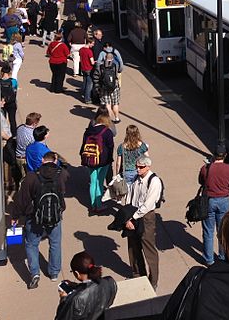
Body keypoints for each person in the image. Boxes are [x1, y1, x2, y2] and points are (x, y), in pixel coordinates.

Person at [9, 150, 69, 289]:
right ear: (55, 161)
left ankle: (35, 273)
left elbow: (22, 200)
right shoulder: (61, 175)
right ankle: (54, 272)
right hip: (55, 215)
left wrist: (15, 216)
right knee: (55, 243)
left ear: (42, 160)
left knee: (31, 244)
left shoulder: (31, 177)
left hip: (34, 216)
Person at [124, 156, 162, 289]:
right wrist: (127, 216)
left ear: (148, 166)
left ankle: (153, 281)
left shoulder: (154, 181)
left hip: (146, 218)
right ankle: (138, 275)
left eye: (141, 167)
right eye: (137, 166)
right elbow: (130, 196)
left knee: (148, 249)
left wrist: (133, 218)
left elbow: (148, 204)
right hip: (133, 214)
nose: (138, 169)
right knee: (133, 248)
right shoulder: (136, 179)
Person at [198, 145, 229, 266]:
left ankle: (209, 259)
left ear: (213, 155)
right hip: (224, 201)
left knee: (208, 230)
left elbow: (201, 181)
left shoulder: (206, 168)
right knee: (223, 230)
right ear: (225, 155)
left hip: (209, 201)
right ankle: (223, 256)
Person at [54, 251, 117, 320]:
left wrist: (63, 299)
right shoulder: (109, 281)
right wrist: (77, 286)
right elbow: (92, 287)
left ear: (77, 273)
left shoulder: (76, 300)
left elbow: (62, 317)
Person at [80, 113, 115, 214]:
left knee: (93, 181)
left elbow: (83, 144)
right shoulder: (107, 132)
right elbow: (110, 146)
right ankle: (98, 205)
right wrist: (109, 159)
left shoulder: (88, 131)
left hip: (90, 159)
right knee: (99, 183)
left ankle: (93, 204)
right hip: (103, 160)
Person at [95, 42, 124, 123]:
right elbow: (121, 63)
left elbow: (97, 72)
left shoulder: (101, 62)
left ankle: (109, 119)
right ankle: (117, 118)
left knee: (107, 103)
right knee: (115, 103)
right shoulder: (115, 62)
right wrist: (119, 71)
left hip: (104, 87)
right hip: (114, 85)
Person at [15, 112, 41, 181]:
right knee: (26, 180)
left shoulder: (20, 128)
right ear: (34, 123)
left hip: (18, 156)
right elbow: (34, 148)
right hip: (25, 159)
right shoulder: (32, 135)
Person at [0, 63, 18, 134]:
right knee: (12, 120)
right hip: (11, 103)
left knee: (3, 120)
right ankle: (14, 135)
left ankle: (4, 134)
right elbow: (15, 92)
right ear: (10, 72)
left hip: (2, 103)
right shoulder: (13, 81)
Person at [78, 37, 96, 104]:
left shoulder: (81, 49)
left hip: (83, 68)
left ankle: (83, 93)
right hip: (89, 69)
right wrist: (95, 62)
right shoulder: (89, 51)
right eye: (92, 43)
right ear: (89, 43)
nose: (93, 45)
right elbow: (92, 62)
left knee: (84, 82)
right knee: (89, 84)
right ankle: (87, 99)